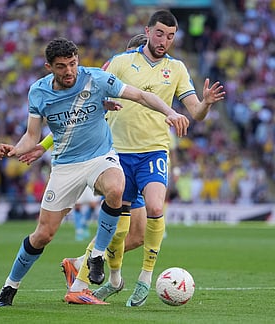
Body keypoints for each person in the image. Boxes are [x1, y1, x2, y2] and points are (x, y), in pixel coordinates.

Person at [22, 10, 226, 307]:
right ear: (147, 32)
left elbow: (195, 113)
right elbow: (81, 103)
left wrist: (205, 104)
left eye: (170, 36)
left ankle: (96, 268)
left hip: (153, 152)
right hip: (116, 155)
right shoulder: (119, 62)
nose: (164, 40)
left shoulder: (177, 68)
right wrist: (43, 143)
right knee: (122, 231)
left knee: (141, 230)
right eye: (159, 34)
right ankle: (94, 272)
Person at [0, 37, 189, 307]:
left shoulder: (96, 79)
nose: (69, 71)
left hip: (100, 156)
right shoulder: (38, 92)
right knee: (43, 234)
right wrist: (15, 150)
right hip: (65, 165)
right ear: (49, 67)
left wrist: (170, 112)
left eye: (73, 64)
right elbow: (31, 135)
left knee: (116, 188)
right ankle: (9, 287)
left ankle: (96, 256)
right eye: (62, 66)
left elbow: (141, 95)